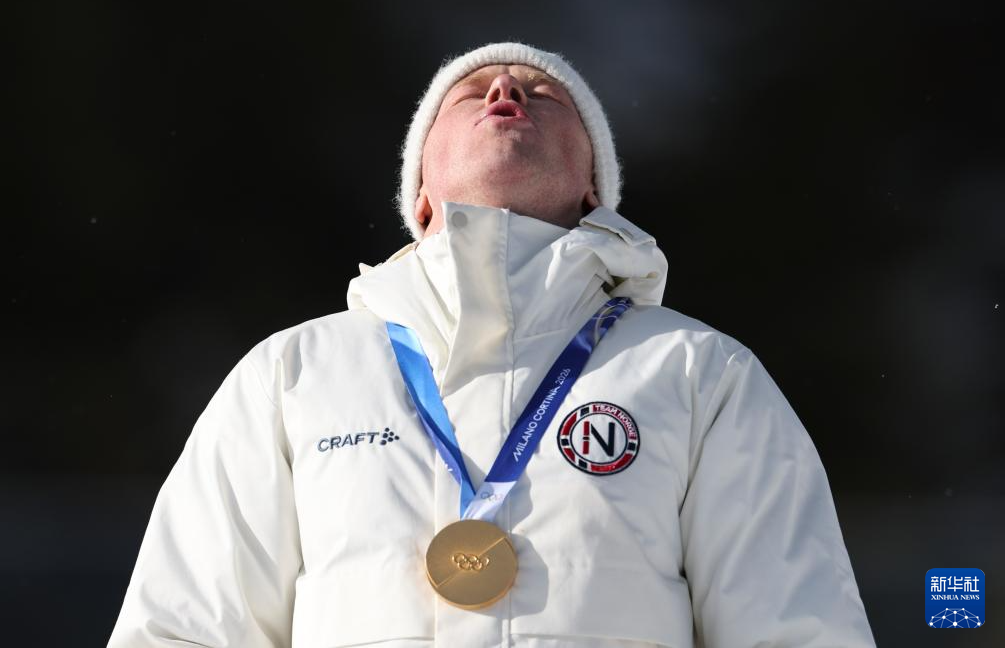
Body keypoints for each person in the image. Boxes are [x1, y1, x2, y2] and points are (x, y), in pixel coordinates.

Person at [108, 42, 876, 647]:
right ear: (418, 193)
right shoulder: (292, 373)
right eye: (470, 93)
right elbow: (184, 629)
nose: (506, 90)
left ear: (593, 189)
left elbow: (794, 630)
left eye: (544, 95)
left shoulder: (698, 371)